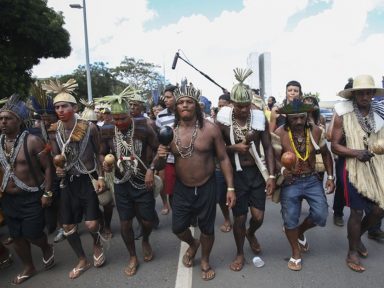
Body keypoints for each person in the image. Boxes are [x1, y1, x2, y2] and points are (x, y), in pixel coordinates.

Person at [156, 84, 236, 281]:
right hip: (182, 187)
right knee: (178, 228)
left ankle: (206, 259)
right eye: (181, 102)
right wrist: (159, 156)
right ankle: (193, 244)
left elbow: (224, 158)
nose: (184, 105)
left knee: (207, 228)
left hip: (207, 185)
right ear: (176, 107)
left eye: (189, 102)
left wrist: (230, 187)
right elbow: (158, 162)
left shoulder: (210, 129)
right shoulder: (169, 133)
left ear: (196, 106)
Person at [44, 79, 106, 279]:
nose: (60, 110)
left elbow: (99, 154)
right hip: (68, 182)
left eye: (64, 106)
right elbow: (55, 157)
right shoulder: (54, 131)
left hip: (88, 179)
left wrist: (102, 177)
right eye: (57, 107)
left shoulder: (90, 128)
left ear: (75, 107)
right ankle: (82, 259)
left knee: (91, 225)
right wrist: (58, 168)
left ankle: (96, 245)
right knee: (68, 226)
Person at [216, 68, 276, 272]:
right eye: (239, 106)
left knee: (258, 217)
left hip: (256, 173)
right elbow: (217, 151)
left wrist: (271, 175)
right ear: (232, 103)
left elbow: (267, 146)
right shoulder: (223, 121)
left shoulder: (259, 118)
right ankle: (240, 252)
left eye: (246, 106)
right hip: (235, 175)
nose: (243, 110)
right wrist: (234, 147)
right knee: (239, 218)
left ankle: (251, 233)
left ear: (251, 102)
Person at [100, 89, 159, 277]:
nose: (119, 123)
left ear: (130, 114)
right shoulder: (107, 129)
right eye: (115, 119)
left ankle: (146, 240)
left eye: (123, 118)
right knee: (125, 222)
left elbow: (160, 149)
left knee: (147, 220)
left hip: (143, 181)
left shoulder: (144, 127)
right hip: (121, 182)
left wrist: (151, 169)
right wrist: (105, 164)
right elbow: (102, 152)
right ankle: (132, 256)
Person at [331, 74, 384, 272]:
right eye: (360, 92)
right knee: (356, 211)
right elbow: (334, 146)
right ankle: (352, 251)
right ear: (354, 94)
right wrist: (356, 153)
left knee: (380, 209)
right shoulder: (342, 114)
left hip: (375, 167)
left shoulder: (378, 116)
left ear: (372, 94)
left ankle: (356, 236)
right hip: (352, 168)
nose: (365, 95)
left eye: (368, 92)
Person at [275, 98, 334, 271]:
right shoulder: (279, 133)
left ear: (307, 115)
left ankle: (299, 232)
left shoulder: (316, 131)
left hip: (311, 179)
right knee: (290, 217)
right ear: (287, 118)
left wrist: (330, 177)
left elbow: (325, 153)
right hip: (290, 181)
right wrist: (282, 171)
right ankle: (295, 252)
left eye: (302, 117)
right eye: (294, 118)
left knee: (321, 215)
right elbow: (274, 157)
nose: (299, 121)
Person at [0, 94, 54, 284]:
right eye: (1, 118)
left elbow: (48, 167)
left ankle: (46, 247)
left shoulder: (32, 141)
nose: (3, 122)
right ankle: (28, 267)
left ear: (19, 121)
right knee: (16, 236)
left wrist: (48, 192)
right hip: (8, 199)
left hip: (32, 196)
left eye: (8, 118)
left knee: (32, 234)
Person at [155, 84, 178, 213]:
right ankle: (178, 215)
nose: (165, 100)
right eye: (165, 97)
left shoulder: (188, 114)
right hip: (169, 160)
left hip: (186, 159)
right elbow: (160, 139)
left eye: (169, 97)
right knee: (171, 191)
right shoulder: (161, 116)